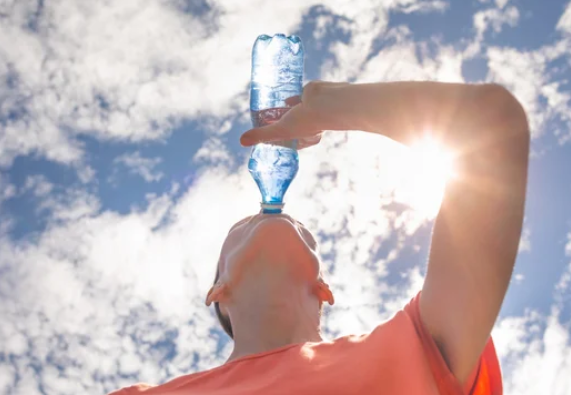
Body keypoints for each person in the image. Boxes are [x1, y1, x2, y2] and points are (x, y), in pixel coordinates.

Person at [110, 80, 529, 394]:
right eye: (241, 227)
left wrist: (340, 107)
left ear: (324, 287)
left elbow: (491, 123)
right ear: (218, 289)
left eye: (306, 235)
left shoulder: (413, 343)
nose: (270, 216)